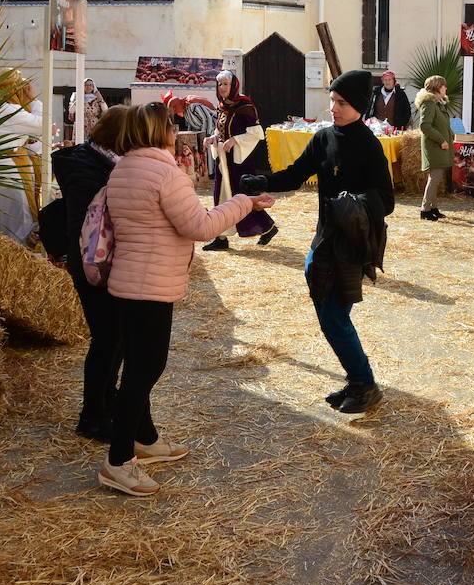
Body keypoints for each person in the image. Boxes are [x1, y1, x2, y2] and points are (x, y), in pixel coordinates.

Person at [99, 103, 276, 497]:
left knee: (136, 367)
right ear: (158, 132)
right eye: (171, 126)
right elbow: (199, 226)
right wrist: (244, 202)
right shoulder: (165, 173)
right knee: (145, 371)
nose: (176, 131)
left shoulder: (123, 168)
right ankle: (117, 461)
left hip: (128, 281)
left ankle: (144, 439)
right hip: (151, 285)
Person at [240, 69, 395, 415]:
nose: (333, 109)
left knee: (335, 317)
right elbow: (295, 174)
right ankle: (357, 379)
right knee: (329, 315)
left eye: (340, 103)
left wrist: (353, 203)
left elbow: (387, 200)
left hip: (350, 245)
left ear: (356, 105)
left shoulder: (369, 145)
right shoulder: (324, 138)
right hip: (322, 240)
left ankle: (364, 383)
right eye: (332, 102)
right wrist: (260, 180)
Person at [51, 105, 128, 441]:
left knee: (116, 340)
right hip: (92, 265)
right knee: (107, 340)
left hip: (99, 263)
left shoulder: (98, 160)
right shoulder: (89, 167)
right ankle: (92, 417)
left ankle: (105, 404)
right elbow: (94, 217)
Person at [202, 70, 277, 251]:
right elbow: (220, 130)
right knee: (220, 195)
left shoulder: (245, 105)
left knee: (241, 196)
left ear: (233, 85)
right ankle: (221, 237)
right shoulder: (222, 106)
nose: (222, 88)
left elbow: (256, 133)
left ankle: (267, 227)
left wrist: (235, 140)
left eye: (225, 84)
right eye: (219, 84)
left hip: (240, 161)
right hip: (224, 160)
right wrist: (212, 138)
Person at [0, 71, 44, 245]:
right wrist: (34, 99)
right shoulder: (9, 110)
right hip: (8, 175)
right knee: (16, 231)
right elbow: (42, 124)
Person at [414, 75, 453, 221]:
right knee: (434, 177)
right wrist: (441, 139)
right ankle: (425, 209)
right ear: (437, 87)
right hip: (435, 145)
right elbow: (425, 125)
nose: (446, 88)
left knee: (436, 178)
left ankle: (433, 207)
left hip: (439, 145)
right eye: (444, 86)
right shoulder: (429, 103)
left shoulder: (438, 103)